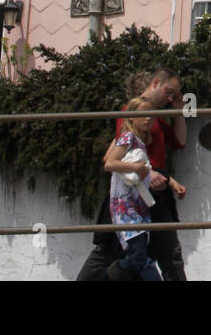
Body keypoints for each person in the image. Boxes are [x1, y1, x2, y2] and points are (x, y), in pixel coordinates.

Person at [77, 68, 188, 280]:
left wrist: (179, 111)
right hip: (134, 194)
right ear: (155, 83)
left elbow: (179, 142)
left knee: (160, 253)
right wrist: (148, 172)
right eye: (169, 91)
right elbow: (114, 156)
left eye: (174, 94)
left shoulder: (156, 117)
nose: (171, 97)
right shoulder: (134, 112)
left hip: (151, 193)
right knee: (119, 251)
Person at [102, 97, 162, 281]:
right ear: (131, 117)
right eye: (142, 115)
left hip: (139, 207)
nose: (147, 119)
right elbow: (110, 163)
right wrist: (136, 168)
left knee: (141, 259)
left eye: (151, 115)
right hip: (126, 208)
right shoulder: (128, 137)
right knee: (137, 256)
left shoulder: (141, 142)